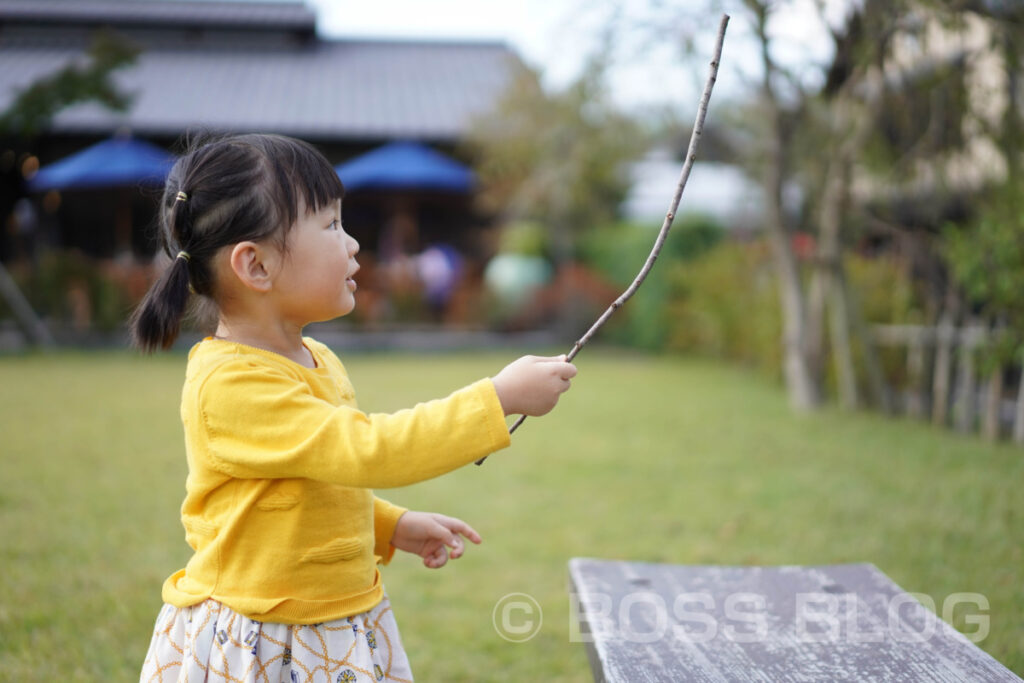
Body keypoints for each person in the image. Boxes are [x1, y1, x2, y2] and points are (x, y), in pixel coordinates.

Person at [132, 134, 577, 682]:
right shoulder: (230, 385)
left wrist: (389, 526)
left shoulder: (316, 358)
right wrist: (497, 399)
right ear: (256, 266)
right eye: (331, 225)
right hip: (263, 637)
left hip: (331, 623)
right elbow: (368, 450)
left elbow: (312, 487)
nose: (353, 244)